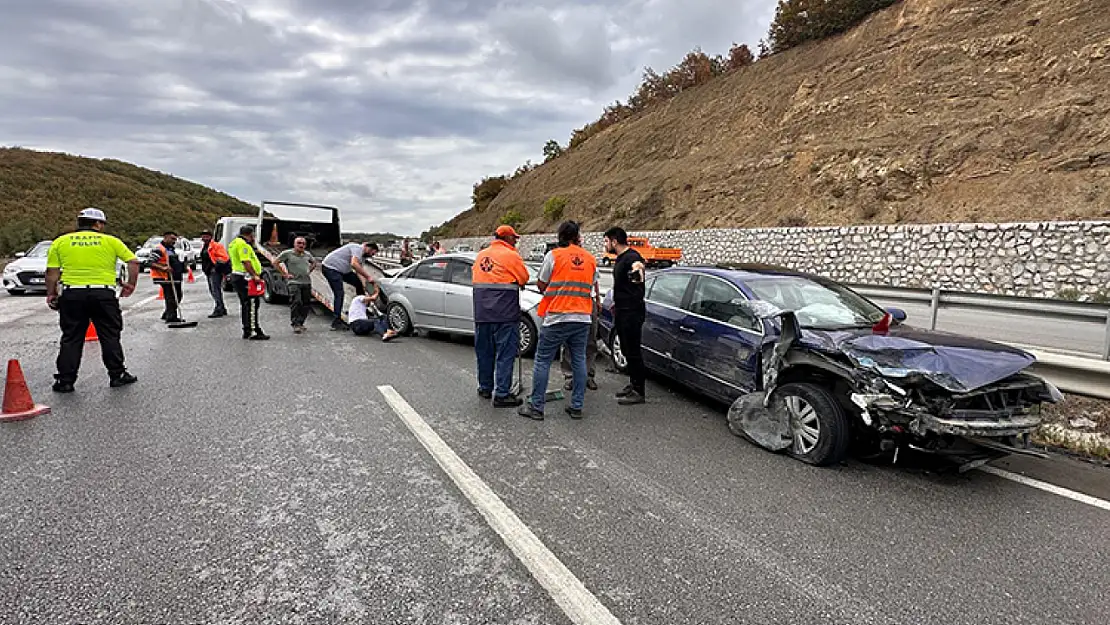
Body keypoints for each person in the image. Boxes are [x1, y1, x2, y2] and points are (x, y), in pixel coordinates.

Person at [44, 207, 140, 393]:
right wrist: (130, 284)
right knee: (109, 335)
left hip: (73, 294)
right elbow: (133, 262)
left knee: (71, 337)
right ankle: (117, 374)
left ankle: (65, 381)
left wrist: (51, 293)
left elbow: (52, 272)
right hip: (103, 295)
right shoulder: (110, 241)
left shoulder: (61, 241)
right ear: (98, 224)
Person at [518, 221, 599, 421]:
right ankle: (576, 406)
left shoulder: (553, 256)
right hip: (582, 317)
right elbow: (592, 283)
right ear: (577, 236)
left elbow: (541, 283)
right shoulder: (589, 259)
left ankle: (536, 407)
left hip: (557, 316)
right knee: (579, 359)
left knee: (543, 360)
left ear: (561, 235)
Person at [472, 225, 530, 407]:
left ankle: (485, 387)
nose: (516, 242)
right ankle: (502, 394)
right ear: (507, 238)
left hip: (482, 313)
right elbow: (524, 278)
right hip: (505, 314)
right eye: (515, 238)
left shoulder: (481, 256)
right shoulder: (511, 255)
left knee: (484, 352)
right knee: (505, 353)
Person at [604, 226, 647, 405]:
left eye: (606, 241)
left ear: (614, 241)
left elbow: (638, 273)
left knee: (633, 350)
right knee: (626, 350)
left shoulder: (632, 258)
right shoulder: (620, 258)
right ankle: (632, 383)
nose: (605, 245)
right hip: (622, 311)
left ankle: (639, 391)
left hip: (632, 313)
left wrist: (638, 273)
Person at [321, 241, 379, 331]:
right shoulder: (358, 248)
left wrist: (363, 284)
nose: (372, 255)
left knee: (358, 284)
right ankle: (336, 321)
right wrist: (368, 276)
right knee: (339, 293)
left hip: (343, 271)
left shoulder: (362, 257)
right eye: (372, 253)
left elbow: (359, 271)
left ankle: (362, 308)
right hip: (330, 268)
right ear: (368, 248)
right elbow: (354, 264)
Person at [228, 225, 269, 340]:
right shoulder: (243, 245)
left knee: (246, 304)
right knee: (251, 304)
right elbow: (246, 261)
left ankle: (247, 329)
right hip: (245, 277)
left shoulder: (234, 243)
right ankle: (254, 331)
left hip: (238, 276)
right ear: (250, 234)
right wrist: (254, 275)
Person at [276, 237, 316, 334]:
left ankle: (301, 322)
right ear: (294, 244)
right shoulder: (287, 254)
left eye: (303, 243)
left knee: (306, 303)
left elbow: (314, 262)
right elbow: (275, 262)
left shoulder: (307, 254)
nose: (301, 245)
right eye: (299, 243)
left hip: (306, 282)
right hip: (294, 282)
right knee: (296, 301)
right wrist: (285, 274)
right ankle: (295, 324)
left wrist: (308, 271)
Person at [149, 231, 186, 323]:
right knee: (171, 297)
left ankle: (168, 313)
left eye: (175, 239)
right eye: (172, 239)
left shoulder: (170, 249)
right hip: (165, 277)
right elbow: (150, 262)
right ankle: (171, 316)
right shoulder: (159, 249)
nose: (174, 241)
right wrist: (163, 268)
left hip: (174, 277)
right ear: (165, 238)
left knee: (178, 296)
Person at [198, 230, 230, 318]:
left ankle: (219, 308)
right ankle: (222, 308)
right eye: (203, 236)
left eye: (206, 236)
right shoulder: (205, 246)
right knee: (213, 290)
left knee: (215, 290)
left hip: (215, 272)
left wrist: (215, 266)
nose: (204, 238)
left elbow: (224, 257)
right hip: (208, 271)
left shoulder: (216, 246)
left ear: (211, 237)